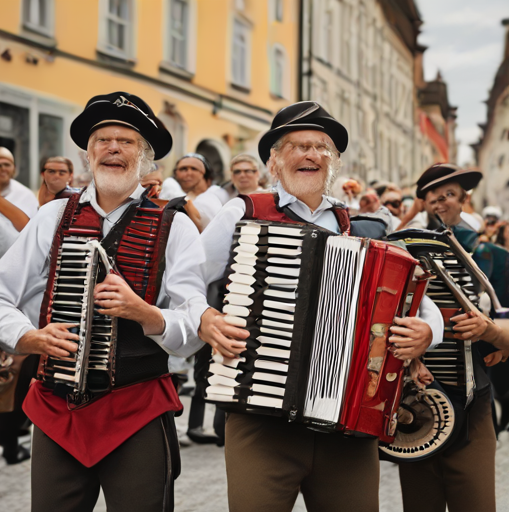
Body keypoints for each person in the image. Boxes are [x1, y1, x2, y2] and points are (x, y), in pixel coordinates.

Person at [197, 101, 443, 512]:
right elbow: (184, 281)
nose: (310, 155)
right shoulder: (244, 211)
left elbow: (418, 296)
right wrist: (205, 318)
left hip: (347, 426)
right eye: (297, 146)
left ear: (334, 162)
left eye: (321, 147)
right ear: (274, 161)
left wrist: (427, 332)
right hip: (261, 417)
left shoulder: (362, 228)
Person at [0, 92, 209, 512]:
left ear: (145, 158)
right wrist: (27, 337)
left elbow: (193, 324)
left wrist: (144, 313)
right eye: (102, 140)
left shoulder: (176, 225)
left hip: (139, 408)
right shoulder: (53, 216)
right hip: (57, 409)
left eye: (126, 141)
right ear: (87, 154)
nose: (113, 148)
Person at [397, 162, 504, 512]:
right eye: (432, 198)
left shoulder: (491, 256)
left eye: (449, 196)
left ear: (464, 200)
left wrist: (492, 332)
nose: (441, 203)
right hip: (415, 405)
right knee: (419, 504)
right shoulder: (402, 251)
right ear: (423, 204)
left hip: (473, 401)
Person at [0, 146, 39, 464]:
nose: (1, 168)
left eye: (7, 163)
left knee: (9, 370)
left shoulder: (23, 196)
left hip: (12, 294)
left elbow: (28, 231)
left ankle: (10, 440)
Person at [159, 153, 222, 231]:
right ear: (176, 173)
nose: (189, 173)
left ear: (204, 173)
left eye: (194, 169)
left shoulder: (217, 193)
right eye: (183, 169)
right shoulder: (170, 190)